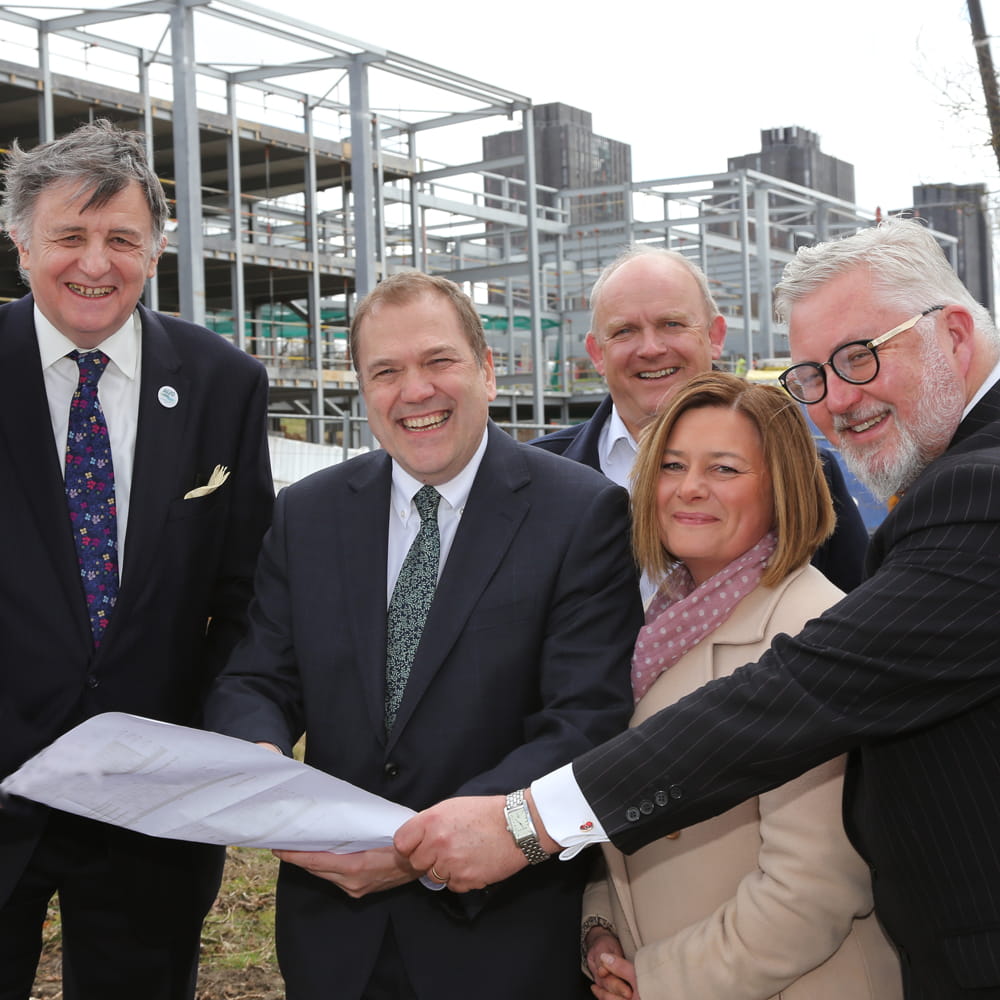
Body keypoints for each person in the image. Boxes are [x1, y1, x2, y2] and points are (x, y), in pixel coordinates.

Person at [395, 218, 1000, 999]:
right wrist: (601, 924)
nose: (841, 397)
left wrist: (529, 824)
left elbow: (803, 700)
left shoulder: (971, 491)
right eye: (814, 375)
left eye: (861, 356)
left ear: (954, 334)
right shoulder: (660, 613)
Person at [204, 270, 643, 1000]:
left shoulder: (581, 513)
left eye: (439, 361)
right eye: (386, 372)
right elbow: (258, 677)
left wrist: (422, 846)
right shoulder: (307, 514)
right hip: (335, 932)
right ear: (363, 389)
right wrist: (258, 756)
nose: (415, 390)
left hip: (498, 936)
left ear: (487, 369)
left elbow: (584, 719)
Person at [0, 120, 274, 1000]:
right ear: (20, 243)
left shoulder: (224, 383)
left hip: (153, 800)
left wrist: (206, 739)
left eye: (121, 238)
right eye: (69, 236)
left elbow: (246, 594)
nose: (96, 262)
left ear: (156, 250)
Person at [581, 372, 900, 1000]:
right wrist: (600, 930)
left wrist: (658, 978)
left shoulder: (810, 629)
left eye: (724, 469)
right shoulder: (660, 620)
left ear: (783, 487)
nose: (689, 488)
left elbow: (814, 889)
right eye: (672, 465)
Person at [531, 245, 869, 594]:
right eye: (624, 331)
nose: (651, 349)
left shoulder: (804, 469)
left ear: (714, 336)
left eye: (671, 324)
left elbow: (859, 607)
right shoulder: (535, 478)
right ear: (596, 353)